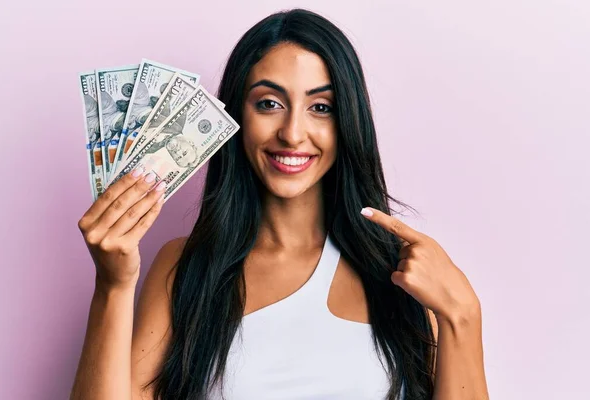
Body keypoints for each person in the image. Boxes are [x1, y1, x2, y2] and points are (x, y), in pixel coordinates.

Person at [71, 8, 489, 400]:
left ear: (348, 123)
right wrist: (113, 285)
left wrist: (462, 315)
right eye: (269, 103)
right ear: (234, 115)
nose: (292, 133)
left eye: (321, 107)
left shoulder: (405, 273)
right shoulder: (186, 267)